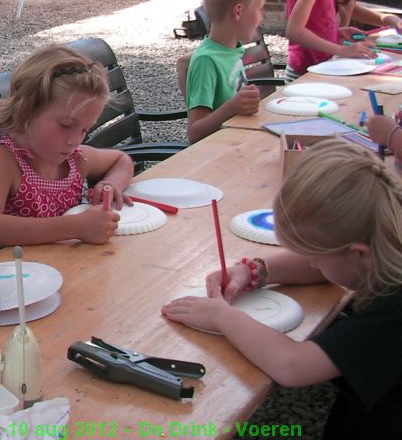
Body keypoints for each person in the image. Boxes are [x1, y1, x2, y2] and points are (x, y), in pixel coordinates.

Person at [162, 139, 402, 438]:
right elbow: (323, 262)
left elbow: (293, 366)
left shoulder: (393, 313)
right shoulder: (383, 236)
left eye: (315, 257)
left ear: (358, 253)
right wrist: (254, 271)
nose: (311, 265)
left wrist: (222, 316)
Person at [0, 44, 134, 267]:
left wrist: (111, 185)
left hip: (60, 268)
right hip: (4, 283)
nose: (75, 140)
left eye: (84, 129)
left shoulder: (76, 160)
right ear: (27, 110)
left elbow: (122, 160)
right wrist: (74, 226)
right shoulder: (1, 162)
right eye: (66, 125)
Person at [183, 0, 264, 143]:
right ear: (238, 11)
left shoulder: (232, 50)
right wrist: (232, 107)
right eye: (258, 9)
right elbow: (195, 133)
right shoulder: (206, 61)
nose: (261, 18)